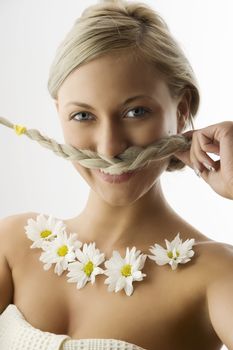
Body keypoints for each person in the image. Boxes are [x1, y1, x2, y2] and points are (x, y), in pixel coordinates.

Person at [0, 1, 232, 350]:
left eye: (135, 111)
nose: (109, 148)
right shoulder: (13, 246)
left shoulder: (215, 274)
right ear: (59, 114)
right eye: (82, 116)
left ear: (181, 112)